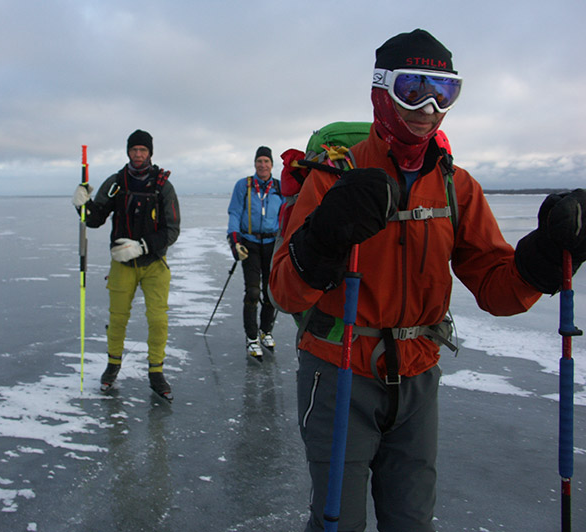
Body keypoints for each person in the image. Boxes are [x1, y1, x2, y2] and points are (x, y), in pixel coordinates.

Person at [269, 29, 586, 531]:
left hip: (418, 379)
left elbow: (499, 290)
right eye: (412, 88)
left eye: (446, 90)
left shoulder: (456, 186)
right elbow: (285, 291)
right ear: (381, 91)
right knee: (337, 522)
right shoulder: (333, 178)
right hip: (340, 369)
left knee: (412, 522)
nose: (429, 105)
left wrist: (548, 253)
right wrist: (325, 235)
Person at [72, 129, 181, 400]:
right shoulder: (116, 182)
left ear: (150, 153)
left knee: (158, 320)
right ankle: (112, 366)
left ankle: (156, 372)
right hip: (121, 265)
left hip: (154, 263)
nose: (138, 154)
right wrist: (81, 206)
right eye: (134, 150)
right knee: (117, 318)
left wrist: (142, 246)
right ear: (128, 152)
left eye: (143, 150)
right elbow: (95, 219)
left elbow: (172, 230)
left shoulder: (163, 186)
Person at [227, 146, 284, 358]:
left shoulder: (279, 187)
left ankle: (266, 330)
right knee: (252, 291)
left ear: (271, 165)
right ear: (255, 164)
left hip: (272, 244)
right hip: (249, 243)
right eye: (259, 161)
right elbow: (234, 212)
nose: (263, 165)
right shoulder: (244, 185)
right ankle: (251, 337)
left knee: (271, 291)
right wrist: (234, 240)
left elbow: (286, 215)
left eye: (266, 161)